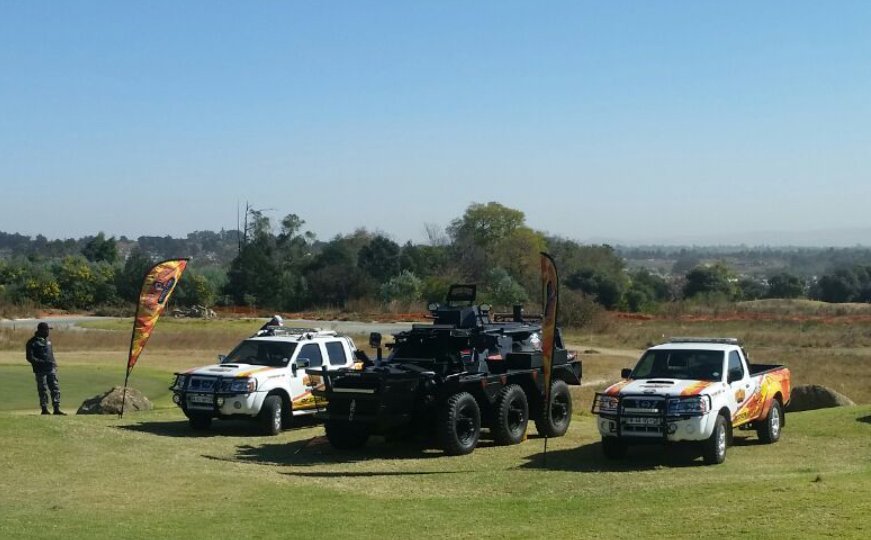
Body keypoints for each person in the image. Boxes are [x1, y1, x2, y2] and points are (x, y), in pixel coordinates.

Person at [25, 322, 65, 415]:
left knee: (55, 388)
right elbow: (29, 357)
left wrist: (54, 363)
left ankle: (56, 408)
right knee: (42, 389)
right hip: (40, 370)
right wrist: (41, 362)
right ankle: (44, 409)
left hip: (51, 368)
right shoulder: (32, 342)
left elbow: (50, 354)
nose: (48, 332)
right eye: (47, 330)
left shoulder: (48, 340)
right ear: (41, 330)